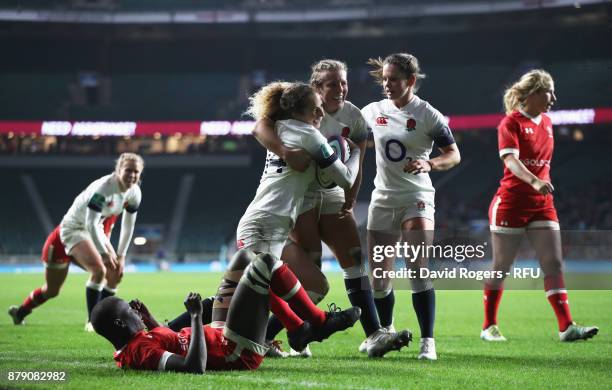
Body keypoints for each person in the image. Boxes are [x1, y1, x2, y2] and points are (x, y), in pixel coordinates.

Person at [241, 80, 411, 358]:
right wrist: (355, 152)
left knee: (306, 285)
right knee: (250, 291)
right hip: (266, 224)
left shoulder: (281, 125)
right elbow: (344, 177)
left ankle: (293, 331)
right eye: (317, 110)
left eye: (345, 81)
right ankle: (307, 327)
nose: (321, 115)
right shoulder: (311, 136)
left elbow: (260, 125)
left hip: (271, 223)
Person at [91, 249, 361, 373]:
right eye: (130, 312)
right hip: (233, 350)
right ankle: (318, 321)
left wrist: (149, 320)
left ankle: (299, 330)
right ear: (119, 323)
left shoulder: (137, 342)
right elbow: (193, 366)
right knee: (265, 264)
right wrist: (196, 316)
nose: (135, 312)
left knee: (244, 258)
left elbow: (166, 340)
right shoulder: (138, 352)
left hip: (219, 334)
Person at [481, 69, 598, 342]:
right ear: (533, 93)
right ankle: (488, 326)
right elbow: (510, 161)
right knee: (501, 266)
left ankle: (566, 327)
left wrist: (539, 186)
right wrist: (534, 181)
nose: (554, 98)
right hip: (511, 203)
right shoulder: (510, 123)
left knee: (554, 263)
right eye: (549, 92)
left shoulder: (547, 121)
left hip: (542, 203)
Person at [361, 53, 461, 360]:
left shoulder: (428, 114)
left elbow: (453, 154)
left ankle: (427, 342)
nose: (387, 84)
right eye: (385, 79)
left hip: (416, 198)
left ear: (411, 81)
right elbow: (353, 137)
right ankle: (386, 332)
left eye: (394, 79)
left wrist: (429, 163)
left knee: (417, 268)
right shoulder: (373, 111)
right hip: (382, 199)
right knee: (379, 277)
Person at [8, 153, 144, 331]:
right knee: (55, 289)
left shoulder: (134, 193)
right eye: (128, 170)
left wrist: (121, 255)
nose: (132, 175)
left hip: (95, 230)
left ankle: (97, 320)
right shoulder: (103, 188)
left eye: (136, 171)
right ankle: (21, 312)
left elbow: (128, 226)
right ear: (118, 170)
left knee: (115, 273)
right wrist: (103, 254)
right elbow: (90, 222)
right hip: (73, 229)